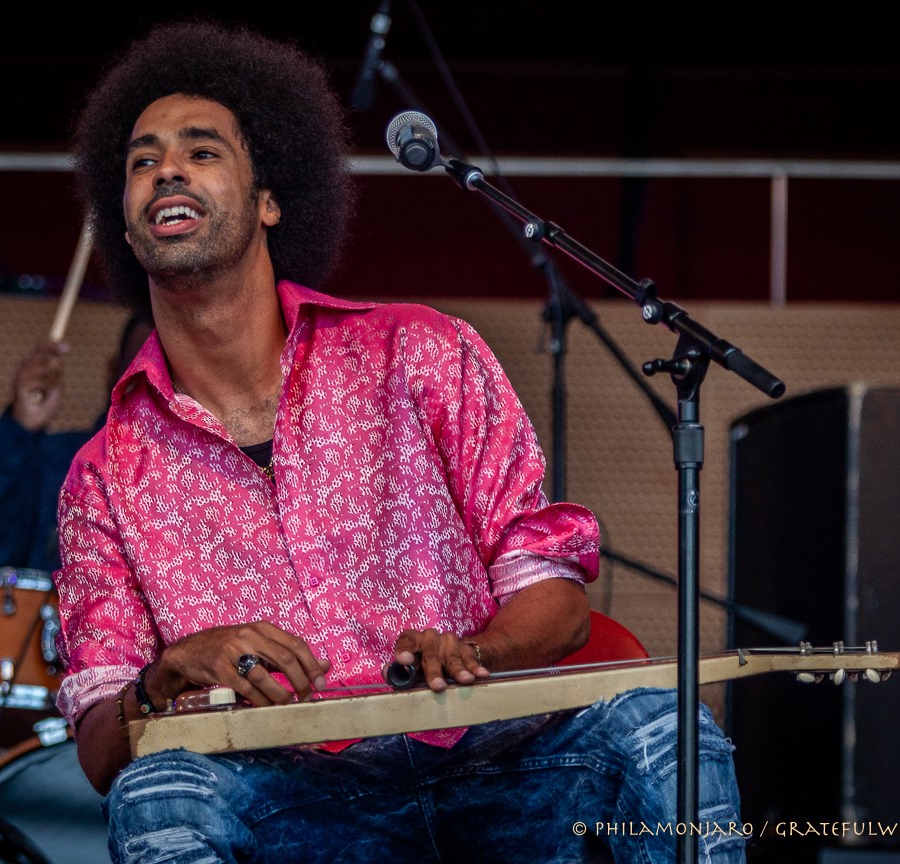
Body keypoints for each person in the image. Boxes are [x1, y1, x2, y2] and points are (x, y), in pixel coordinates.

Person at [54, 20, 746, 864]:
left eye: (202, 151)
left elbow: (560, 605)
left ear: (271, 199)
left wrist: (476, 651)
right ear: (126, 229)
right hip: (291, 802)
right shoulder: (103, 478)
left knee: (663, 725)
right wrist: (165, 676)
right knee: (156, 795)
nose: (166, 168)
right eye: (141, 160)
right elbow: (97, 752)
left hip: (502, 772)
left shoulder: (422, 353)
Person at [0, 315, 151, 576]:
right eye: (143, 372)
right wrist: (19, 428)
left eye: (174, 376)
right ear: (113, 370)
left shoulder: (204, 482)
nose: (160, 390)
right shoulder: (52, 465)